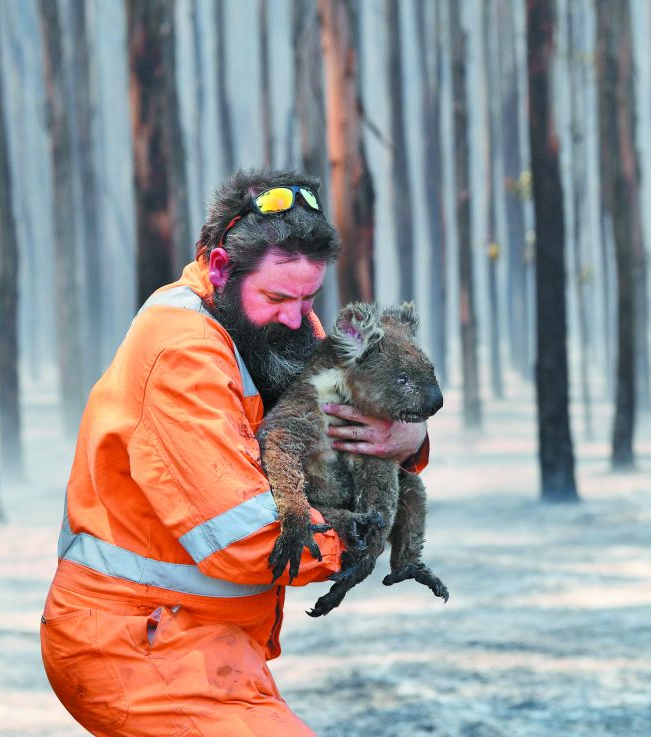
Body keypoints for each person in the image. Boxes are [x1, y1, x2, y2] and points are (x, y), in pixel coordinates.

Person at [40, 169, 430, 737]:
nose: (300, 318)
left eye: (309, 297)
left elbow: (350, 418)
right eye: (278, 296)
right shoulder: (183, 353)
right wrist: (358, 535)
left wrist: (408, 442)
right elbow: (244, 537)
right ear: (222, 268)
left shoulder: (269, 326)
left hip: (207, 643)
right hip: (136, 646)